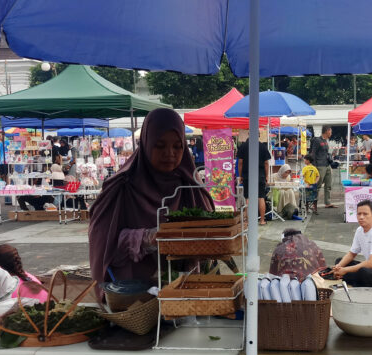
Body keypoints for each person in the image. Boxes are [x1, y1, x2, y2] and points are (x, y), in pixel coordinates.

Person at [89, 108, 213, 297]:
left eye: (177, 146)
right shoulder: (122, 186)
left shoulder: (191, 187)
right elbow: (101, 242)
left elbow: (210, 236)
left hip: (183, 294)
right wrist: (146, 238)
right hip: (132, 298)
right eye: (160, 145)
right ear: (146, 143)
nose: (169, 153)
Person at [237, 138, 272, 225]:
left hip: (247, 175)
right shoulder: (262, 146)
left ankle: (248, 221)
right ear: (259, 136)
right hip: (260, 175)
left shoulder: (243, 146)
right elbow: (266, 163)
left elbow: (240, 162)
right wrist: (267, 175)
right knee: (261, 197)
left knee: (248, 197)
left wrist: (240, 175)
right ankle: (262, 220)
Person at [309, 126, 335, 208]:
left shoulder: (326, 141)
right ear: (327, 131)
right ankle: (314, 203)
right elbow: (313, 153)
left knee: (328, 185)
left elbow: (326, 153)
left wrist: (330, 165)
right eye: (330, 131)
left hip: (327, 165)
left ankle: (327, 202)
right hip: (320, 166)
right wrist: (314, 167)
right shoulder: (317, 140)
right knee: (318, 185)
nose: (331, 133)